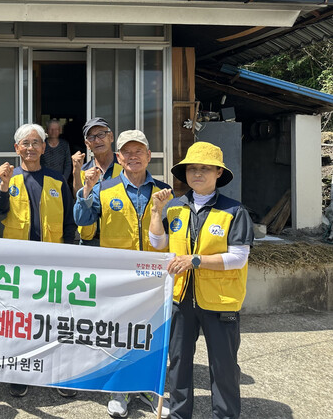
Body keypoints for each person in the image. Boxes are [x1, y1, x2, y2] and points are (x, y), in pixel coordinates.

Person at [149, 142, 252, 419]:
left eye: (205, 168)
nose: (197, 173)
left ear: (218, 172)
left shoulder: (234, 211)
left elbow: (239, 257)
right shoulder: (175, 208)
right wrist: (157, 211)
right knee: (178, 363)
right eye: (192, 168)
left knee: (223, 366)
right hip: (181, 298)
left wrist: (196, 260)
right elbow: (158, 243)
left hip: (220, 300)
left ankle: (225, 415)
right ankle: (179, 414)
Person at [73, 130, 172, 418]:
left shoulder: (165, 191)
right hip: (119, 276)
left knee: (151, 334)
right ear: (118, 158)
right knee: (120, 333)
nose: (133, 156)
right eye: (126, 152)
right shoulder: (105, 188)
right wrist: (87, 190)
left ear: (149, 155)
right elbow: (83, 220)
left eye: (138, 151)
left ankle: (150, 388)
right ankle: (119, 390)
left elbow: (173, 235)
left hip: (153, 277)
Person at [0, 123, 77, 399]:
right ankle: (19, 373)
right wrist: (3, 185)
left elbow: (68, 221)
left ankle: (59, 374)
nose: (30, 148)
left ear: (43, 147)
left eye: (35, 143)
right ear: (16, 148)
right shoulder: (8, 178)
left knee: (55, 320)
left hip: (52, 263)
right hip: (18, 265)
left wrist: (69, 253)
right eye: (25, 143)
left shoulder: (56, 179)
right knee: (19, 319)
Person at [71, 117, 123, 246]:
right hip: (89, 240)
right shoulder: (84, 169)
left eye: (101, 134)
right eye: (92, 137)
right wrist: (76, 172)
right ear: (87, 144)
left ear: (111, 137)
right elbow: (78, 198)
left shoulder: (125, 168)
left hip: (118, 238)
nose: (97, 140)